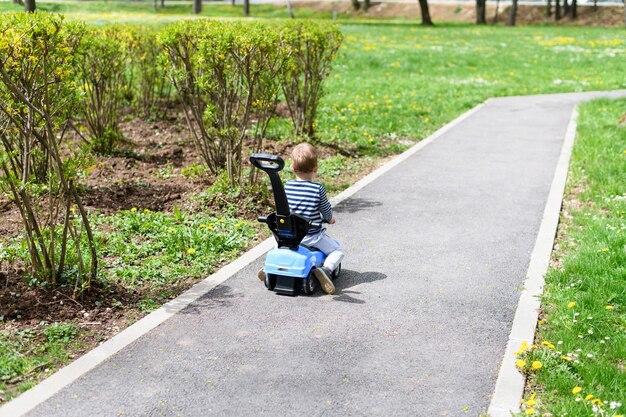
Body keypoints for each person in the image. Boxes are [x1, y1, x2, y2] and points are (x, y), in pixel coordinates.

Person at [258, 142, 344, 294]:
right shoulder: (318, 189)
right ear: (315, 168)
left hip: (288, 236)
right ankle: (326, 269)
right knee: (337, 250)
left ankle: (269, 268)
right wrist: (329, 219)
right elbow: (325, 210)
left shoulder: (287, 186)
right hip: (311, 236)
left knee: (276, 247)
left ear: (292, 168)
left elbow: (284, 208)